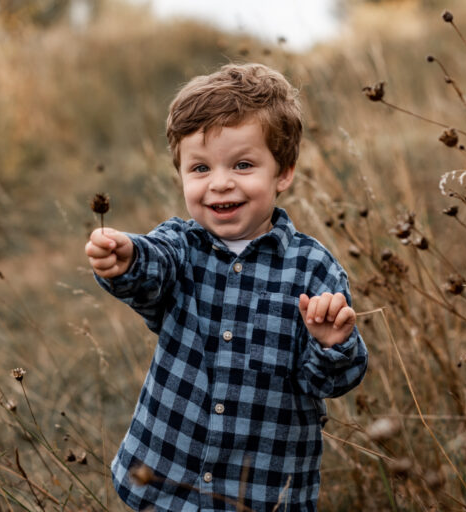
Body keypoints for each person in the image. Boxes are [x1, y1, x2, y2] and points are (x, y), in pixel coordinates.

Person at [85, 63, 368, 511]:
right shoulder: (180, 245)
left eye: (242, 164)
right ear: (180, 174)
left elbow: (328, 381)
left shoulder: (313, 268)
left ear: (283, 172)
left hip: (260, 492)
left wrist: (333, 345)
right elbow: (150, 273)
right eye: (199, 168)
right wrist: (127, 259)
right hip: (165, 478)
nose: (219, 183)